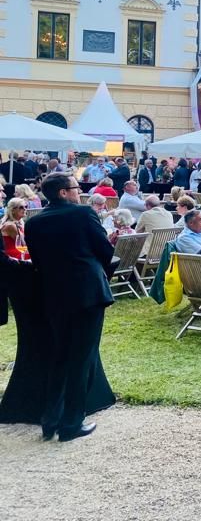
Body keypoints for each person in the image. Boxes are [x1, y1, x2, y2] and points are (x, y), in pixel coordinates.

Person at [24, 173, 114, 441]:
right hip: (87, 291)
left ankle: (50, 419)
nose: (79, 192)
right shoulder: (83, 214)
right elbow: (105, 252)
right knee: (81, 358)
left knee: (60, 356)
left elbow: (37, 260)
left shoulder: (33, 222)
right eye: (76, 188)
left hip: (54, 294)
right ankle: (72, 423)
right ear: (63, 192)